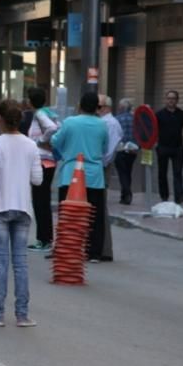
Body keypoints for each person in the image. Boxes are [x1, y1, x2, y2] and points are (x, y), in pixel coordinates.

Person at [0, 100, 42, 328]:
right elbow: (37, 179)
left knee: (1, 262)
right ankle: (22, 314)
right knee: (21, 263)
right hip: (23, 207)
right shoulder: (31, 145)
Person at [51, 92, 110, 262]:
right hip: (94, 176)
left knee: (68, 215)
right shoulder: (102, 125)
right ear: (96, 108)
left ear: (79, 105)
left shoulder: (70, 122)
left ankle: (68, 248)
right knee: (95, 216)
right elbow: (105, 147)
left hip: (71, 174)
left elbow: (56, 141)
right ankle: (94, 252)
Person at [25, 87, 59, 252]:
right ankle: (46, 238)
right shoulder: (50, 112)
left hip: (42, 162)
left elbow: (52, 129)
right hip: (49, 162)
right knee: (42, 201)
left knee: (40, 202)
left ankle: (44, 240)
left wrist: (39, 141)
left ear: (30, 102)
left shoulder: (39, 114)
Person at [97, 95, 122, 262]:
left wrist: (99, 163)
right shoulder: (103, 123)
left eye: (98, 107)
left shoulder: (110, 123)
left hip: (102, 168)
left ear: (105, 107)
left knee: (100, 207)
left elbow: (109, 151)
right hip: (99, 166)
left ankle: (104, 249)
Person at [155, 90, 183, 204]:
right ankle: (164, 196)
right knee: (162, 173)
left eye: (173, 98)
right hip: (163, 147)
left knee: (178, 173)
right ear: (166, 100)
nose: (171, 100)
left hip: (178, 148)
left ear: (177, 100)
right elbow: (154, 131)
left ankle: (178, 197)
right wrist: (156, 144)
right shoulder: (159, 114)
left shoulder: (182, 114)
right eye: (169, 98)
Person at [114, 98, 137, 205]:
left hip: (121, 149)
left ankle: (127, 193)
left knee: (122, 173)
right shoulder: (135, 119)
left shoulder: (117, 119)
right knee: (128, 172)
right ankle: (124, 195)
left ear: (122, 107)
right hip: (132, 150)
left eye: (119, 106)